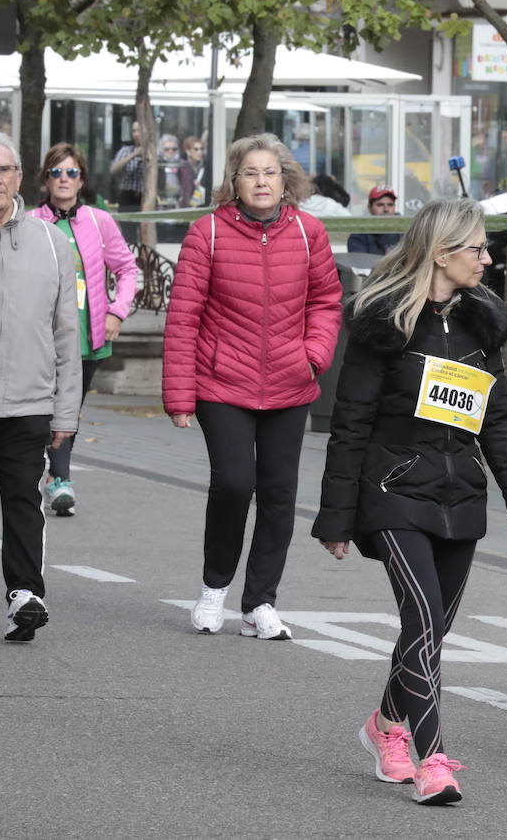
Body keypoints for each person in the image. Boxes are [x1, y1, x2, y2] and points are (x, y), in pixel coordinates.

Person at [313, 198, 507, 805]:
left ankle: (385, 725)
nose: (488, 260)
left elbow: (496, 417)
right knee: (421, 620)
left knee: (432, 628)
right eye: (478, 250)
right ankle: (431, 759)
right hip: (392, 493)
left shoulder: (481, 324)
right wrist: (336, 517)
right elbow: (350, 425)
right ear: (443, 254)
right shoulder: (381, 324)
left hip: (460, 495)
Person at [163, 132, 342, 641]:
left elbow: (327, 302)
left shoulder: (309, 233)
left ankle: (260, 601)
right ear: (234, 182)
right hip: (222, 383)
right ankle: (214, 587)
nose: (261, 181)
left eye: (270, 172)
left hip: (290, 381)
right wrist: (179, 394)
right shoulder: (208, 234)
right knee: (236, 483)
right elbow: (183, 318)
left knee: (280, 492)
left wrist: (314, 355)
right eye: (250, 173)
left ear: (285, 179)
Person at [0, 131, 80, 641]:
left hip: (28, 402)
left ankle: (25, 596)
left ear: (18, 176)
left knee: (22, 503)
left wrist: (66, 412)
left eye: (3, 169)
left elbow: (65, 333)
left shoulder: (53, 244)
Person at [30, 143, 139, 517]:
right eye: (57, 172)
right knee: (49, 406)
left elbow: (127, 270)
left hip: (88, 335)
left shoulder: (98, 221)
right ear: (46, 179)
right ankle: (59, 479)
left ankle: (54, 475)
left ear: (82, 180)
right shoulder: (31, 222)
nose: (64, 179)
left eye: (71, 172)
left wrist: (117, 312)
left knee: (69, 408)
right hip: (41, 337)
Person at [347, 184, 403, 255]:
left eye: (390, 205)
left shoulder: (406, 232)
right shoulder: (359, 235)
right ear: (370, 208)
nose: (386, 209)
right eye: (380, 205)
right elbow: (360, 264)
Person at [109, 122, 145, 210]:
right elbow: (113, 169)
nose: (136, 134)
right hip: (127, 196)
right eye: (134, 131)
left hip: (145, 196)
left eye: (139, 131)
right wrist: (133, 155)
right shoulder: (126, 150)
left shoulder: (154, 153)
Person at [178, 135, 208, 208]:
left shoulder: (204, 168)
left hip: (201, 206)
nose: (200, 152)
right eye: (196, 149)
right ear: (188, 152)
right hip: (185, 208)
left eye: (201, 149)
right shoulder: (182, 168)